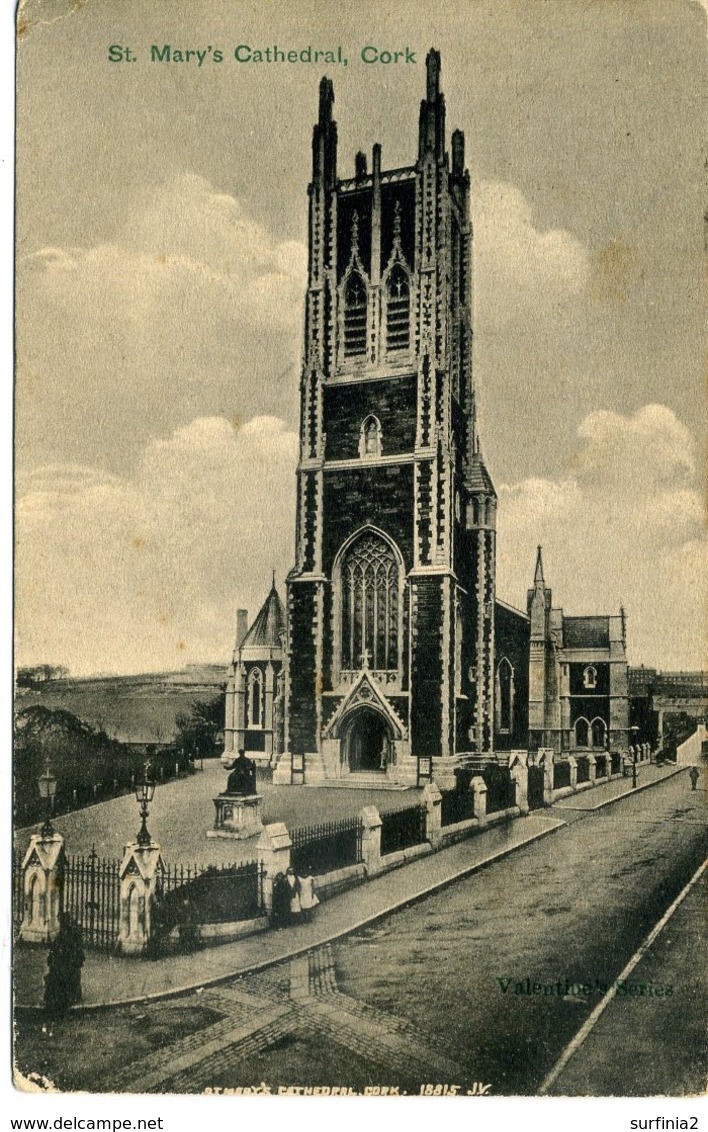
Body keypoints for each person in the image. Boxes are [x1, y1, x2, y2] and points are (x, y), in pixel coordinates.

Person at [43, 912, 84, 1034]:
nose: (61, 924)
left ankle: (60, 1004)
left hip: (69, 964)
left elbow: (74, 950)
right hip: (63, 964)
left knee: (59, 979)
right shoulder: (64, 933)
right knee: (55, 978)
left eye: (62, 922)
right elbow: (56, 948)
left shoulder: (71, 933)